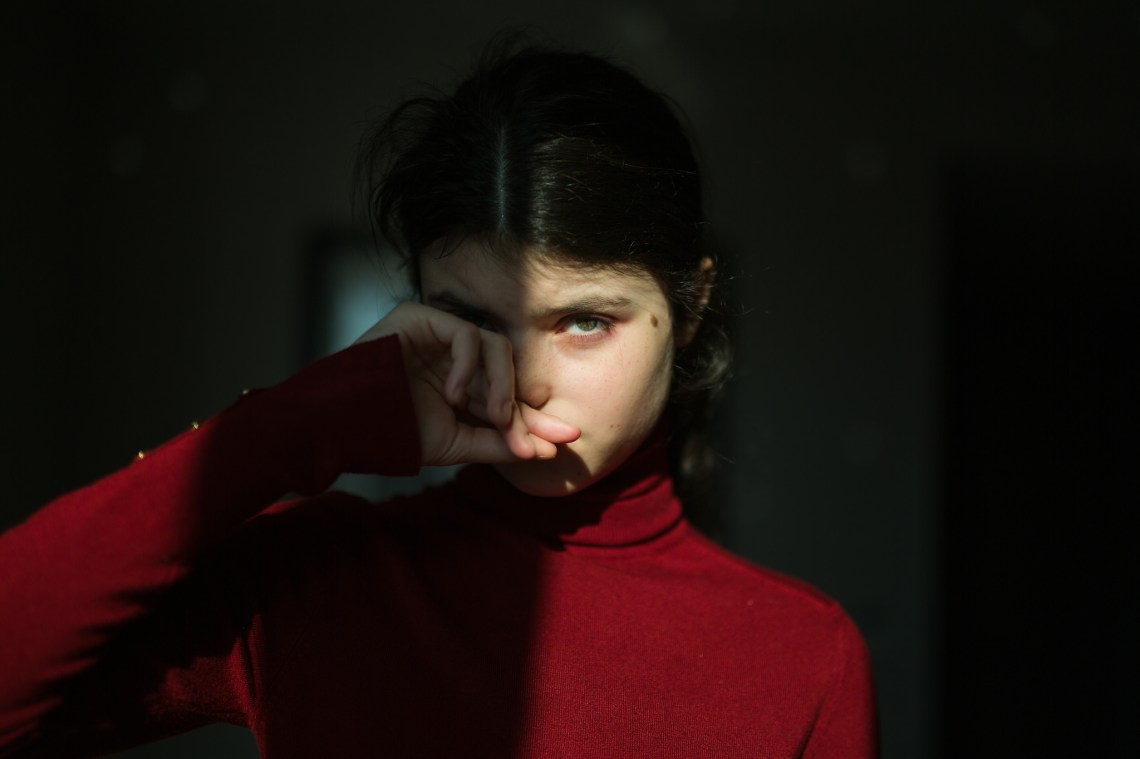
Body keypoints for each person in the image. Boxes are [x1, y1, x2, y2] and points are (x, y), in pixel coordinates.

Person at [0, 40, 878, 758]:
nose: (526, 379)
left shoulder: (803, 656)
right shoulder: (315, 580)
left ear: (688, 309)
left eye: (583, 320)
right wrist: (287, 425)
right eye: (470, 319)